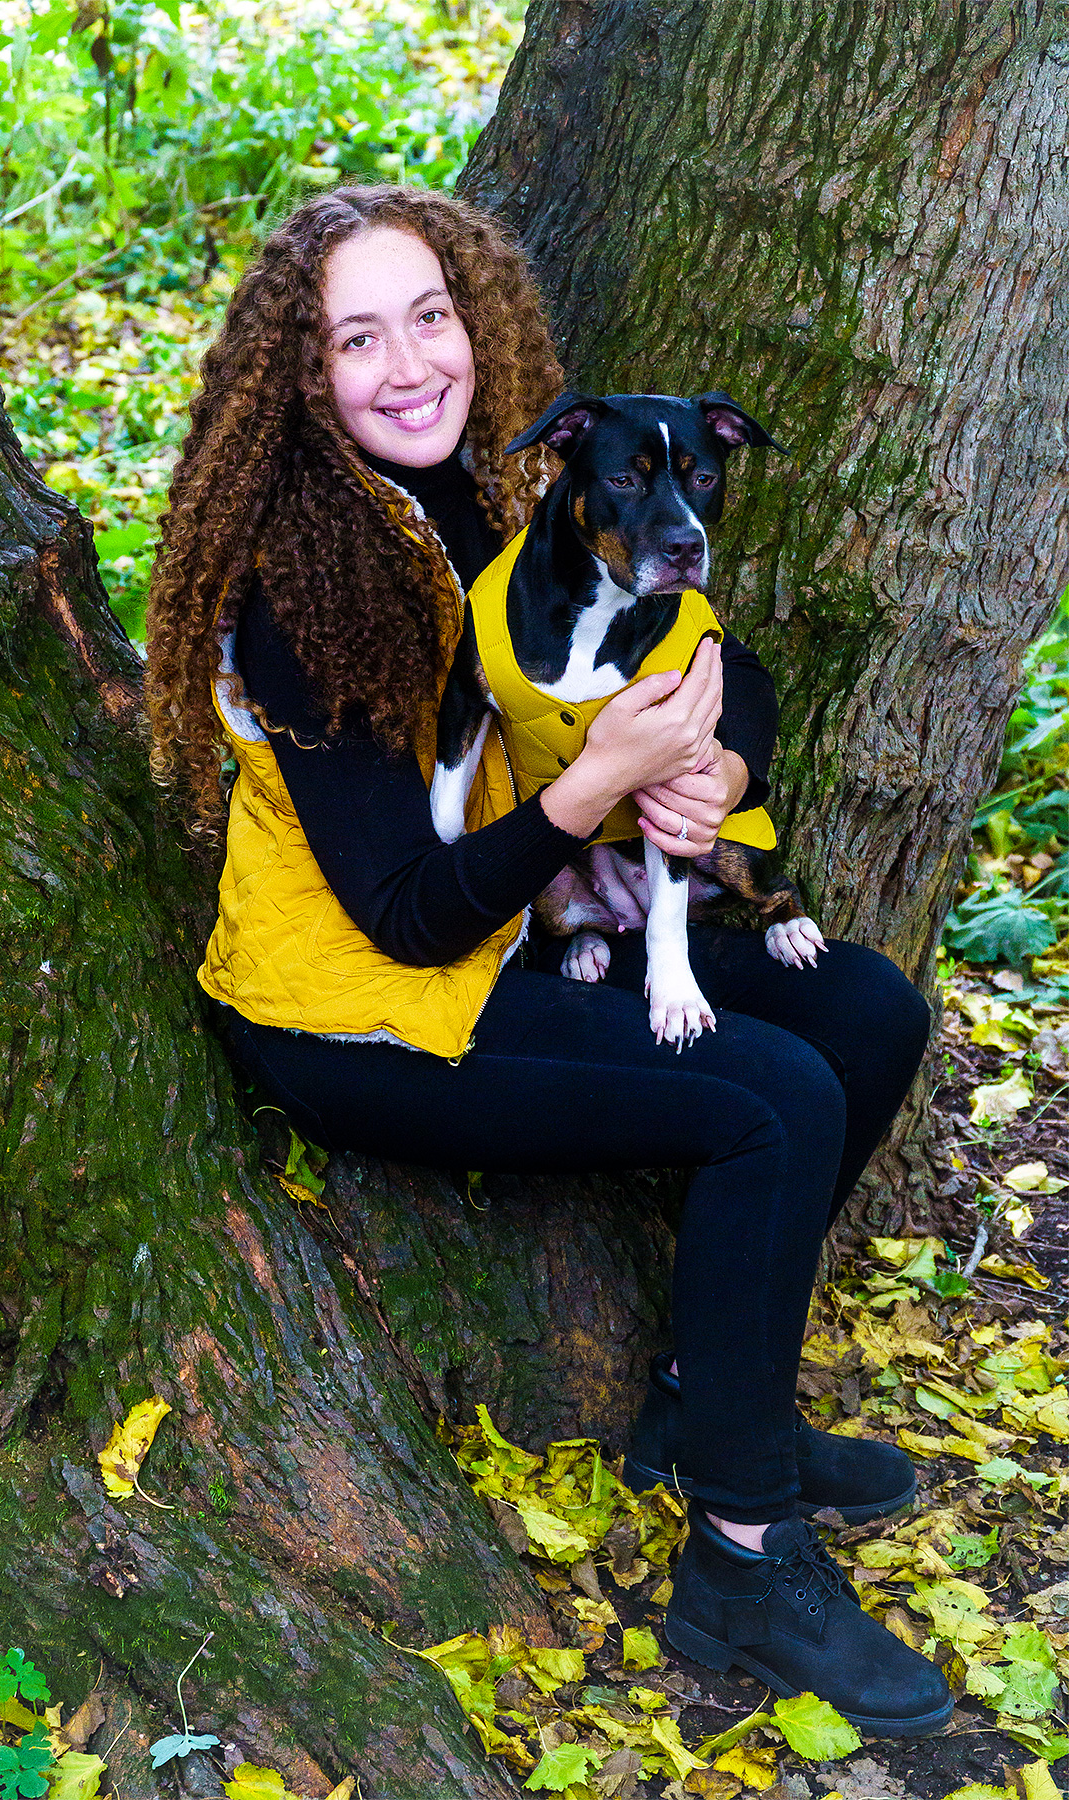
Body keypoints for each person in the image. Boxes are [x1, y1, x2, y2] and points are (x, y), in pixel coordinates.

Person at [145, 183, 952, 1737]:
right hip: (356, 1010)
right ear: (295, 379)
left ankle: (702, 1413)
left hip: (513, 940)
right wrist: (587, 792)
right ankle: (744, 1551)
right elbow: (401, 912)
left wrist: (720, 775)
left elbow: (729, 664)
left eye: (429, 317)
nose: (405, 364)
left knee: (862, 1011)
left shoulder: (518, 496)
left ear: (480, 323)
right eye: (351, 338)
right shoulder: (303, 575)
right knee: (767, 1096)